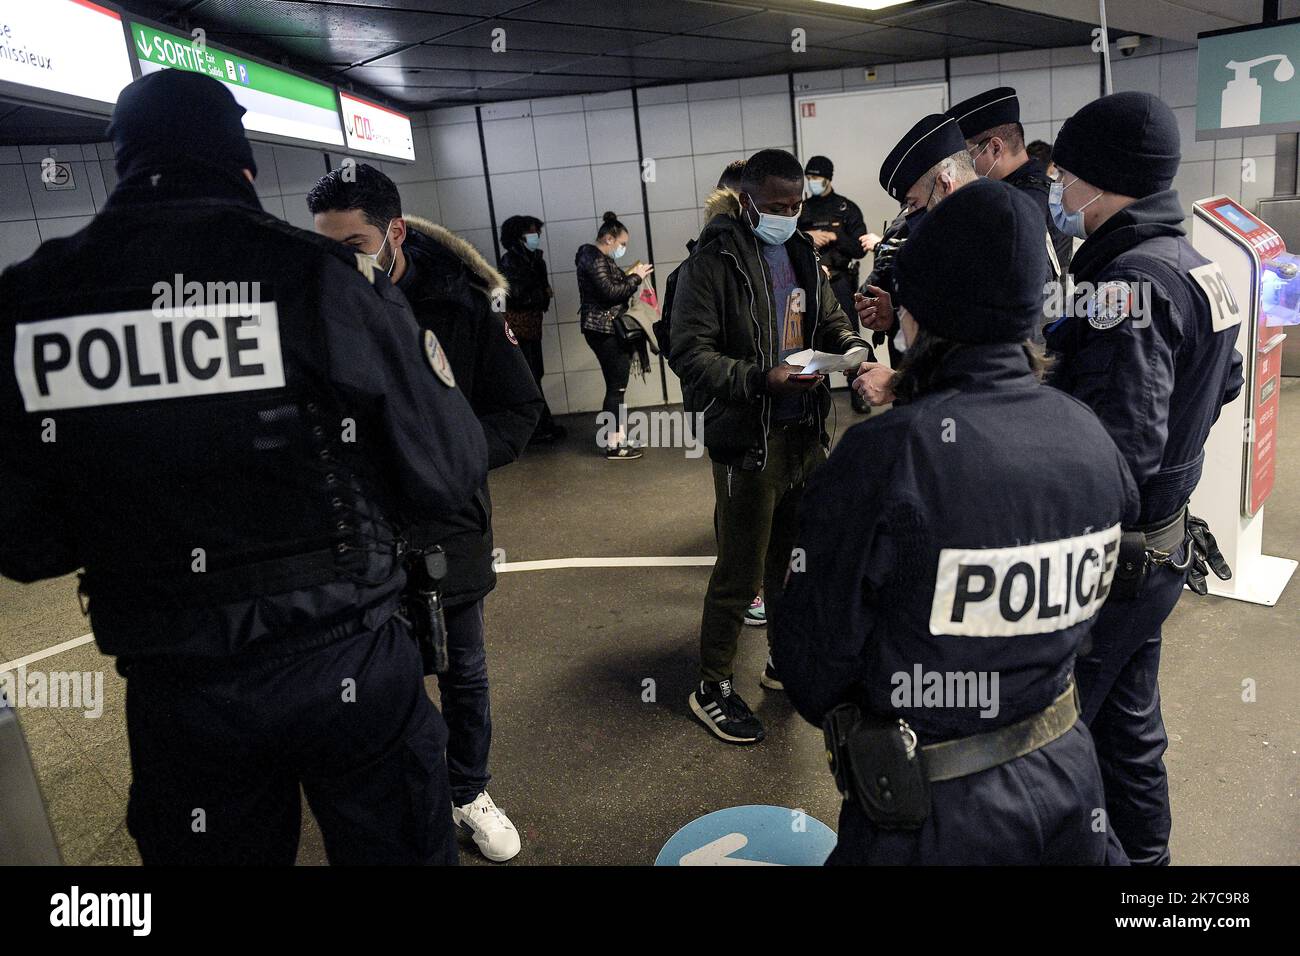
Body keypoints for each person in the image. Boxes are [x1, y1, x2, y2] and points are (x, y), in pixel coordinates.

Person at [0, 70, 487, 865]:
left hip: (179, 686)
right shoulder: (317, 275)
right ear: (244, 164)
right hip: (349, 661)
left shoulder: (34, 302)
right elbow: (446, 466)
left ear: (121, 160)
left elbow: (21, 543)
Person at [771, 178, 1140, 864]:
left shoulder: (888, 456)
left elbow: (812, 667)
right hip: (1069, 779)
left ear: (919, 311)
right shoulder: (1090, 436)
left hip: (934, 815)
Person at [308, 163, 542, 863]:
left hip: (448, 527)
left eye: (352, 243)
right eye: (325, 245)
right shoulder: (314, 310)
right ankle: (410, 789)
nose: (339, 260)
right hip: (362, 535)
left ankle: (469, 789)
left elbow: (519, 411)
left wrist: (449, 461)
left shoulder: (463, 307)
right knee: (383, 673)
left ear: (394, 233)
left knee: (463, 669)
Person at [1045, 91, 1244, 866]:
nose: (1060, 193)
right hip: (1161, 551)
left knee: (1056, 745)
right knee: (1128, 730)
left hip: (1111, 565)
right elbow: (1222, 382)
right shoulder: (1194, 265)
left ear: (1103, 180)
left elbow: (1121, 451)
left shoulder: (1129, 282)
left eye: (1066, 176)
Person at [668, 148, 873, 745]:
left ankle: (783, 661)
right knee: (740, 573)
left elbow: (828, 319)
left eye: (796, 204)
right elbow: (691, 355)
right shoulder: (713, 263)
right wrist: (762, 379)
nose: (788, 213)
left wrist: (850, 348)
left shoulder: (803, 252)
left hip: (804, 432)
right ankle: (711, 687)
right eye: (777, 206)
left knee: (789, 565)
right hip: (749, 441)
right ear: (746, 201)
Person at [856, 114, 974, 348]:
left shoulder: (1000, 230)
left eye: (913, 204)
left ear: (944, 184)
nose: (909, 217)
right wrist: (894, 318)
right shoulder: (951, 234)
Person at [947, 86, 1073, 276]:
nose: (965, 164)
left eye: (967, 154)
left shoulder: (1021, 202)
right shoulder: (1040, 189)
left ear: (995, 147)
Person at [798, 155, 875, 412]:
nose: (812, 183)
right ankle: (820, 398)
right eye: (809, 178)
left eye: (817, 178)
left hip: (841, 282)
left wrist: (835, 236)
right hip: (812, 283)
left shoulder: (846, 208)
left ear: (828, 178)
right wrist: (809, 235)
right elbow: (788, 241)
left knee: (849, 339)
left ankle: (859, 394)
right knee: (815, 341)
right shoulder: (802, 209)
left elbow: (860, 248)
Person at [576, 211, 653, 460]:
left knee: (617, 388)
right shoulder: (594, 258)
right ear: (609, 238)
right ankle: (613, 444)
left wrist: (630, 275)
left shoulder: (597, 259)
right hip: (604, 328)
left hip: (602, 327)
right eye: (622, 244)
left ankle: (618, 437)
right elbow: (610, 292)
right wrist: (635, 277)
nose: (623, 248)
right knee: (616, 387)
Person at [499, 214, 565, 444]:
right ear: (518, 236)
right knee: (530, 377)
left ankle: (542, 425)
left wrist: (540, 295)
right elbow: (513, 294)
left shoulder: (535, 260)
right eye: (532, 233)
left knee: (536, 374)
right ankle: (538, 426)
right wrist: (540, 294)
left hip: (531, 325)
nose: (536, 237)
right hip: (519, 327)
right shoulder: (511, 261)